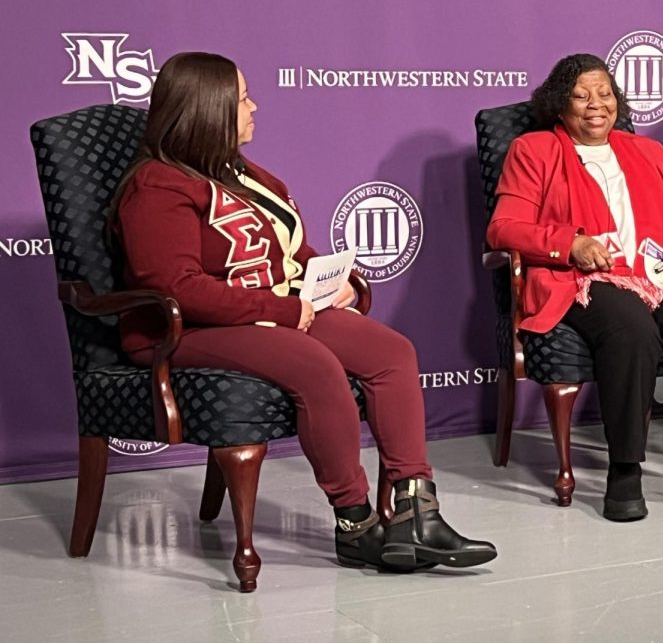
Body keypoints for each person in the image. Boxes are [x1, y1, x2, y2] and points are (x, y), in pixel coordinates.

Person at [111, 52, 496, 571]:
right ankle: (356, 524)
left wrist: (328, 282)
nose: (254, 107)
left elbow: (286, 251)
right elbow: (178, 288)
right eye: (242, 98)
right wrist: (285, 309)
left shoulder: (242, 173)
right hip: (181, 329)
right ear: (209, 110)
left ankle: (415, 512)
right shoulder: (156, 186)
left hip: (268, 310)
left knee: (390, 351)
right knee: (312, 362)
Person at [486, 53, 663, 521]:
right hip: (578, 279)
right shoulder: (533, 151)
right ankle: (625, 471)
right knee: (630, 326)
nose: (596, 104)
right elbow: (503, 228)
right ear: (559, 105)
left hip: (653, 274)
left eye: (605, 94)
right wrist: (568, 243)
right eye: (581, 96)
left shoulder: (646, 152)